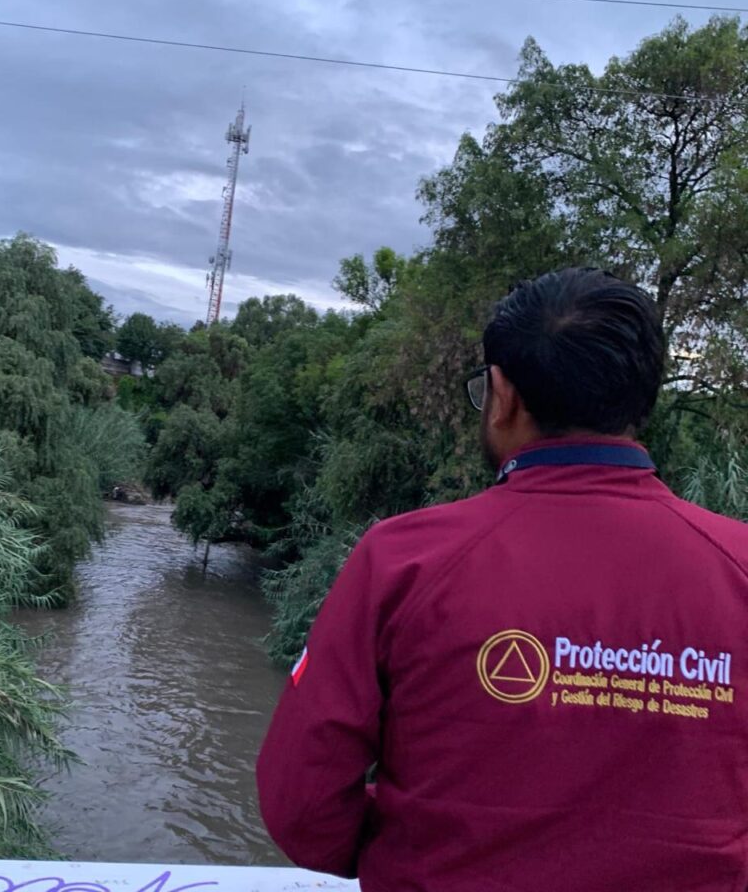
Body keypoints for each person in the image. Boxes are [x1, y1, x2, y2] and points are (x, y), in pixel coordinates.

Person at [256, 267, 748, 892]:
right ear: (641, 399)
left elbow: (302, 803)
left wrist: (423, 837)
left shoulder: (404, 562)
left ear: (502, 394)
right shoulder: (739, 567)